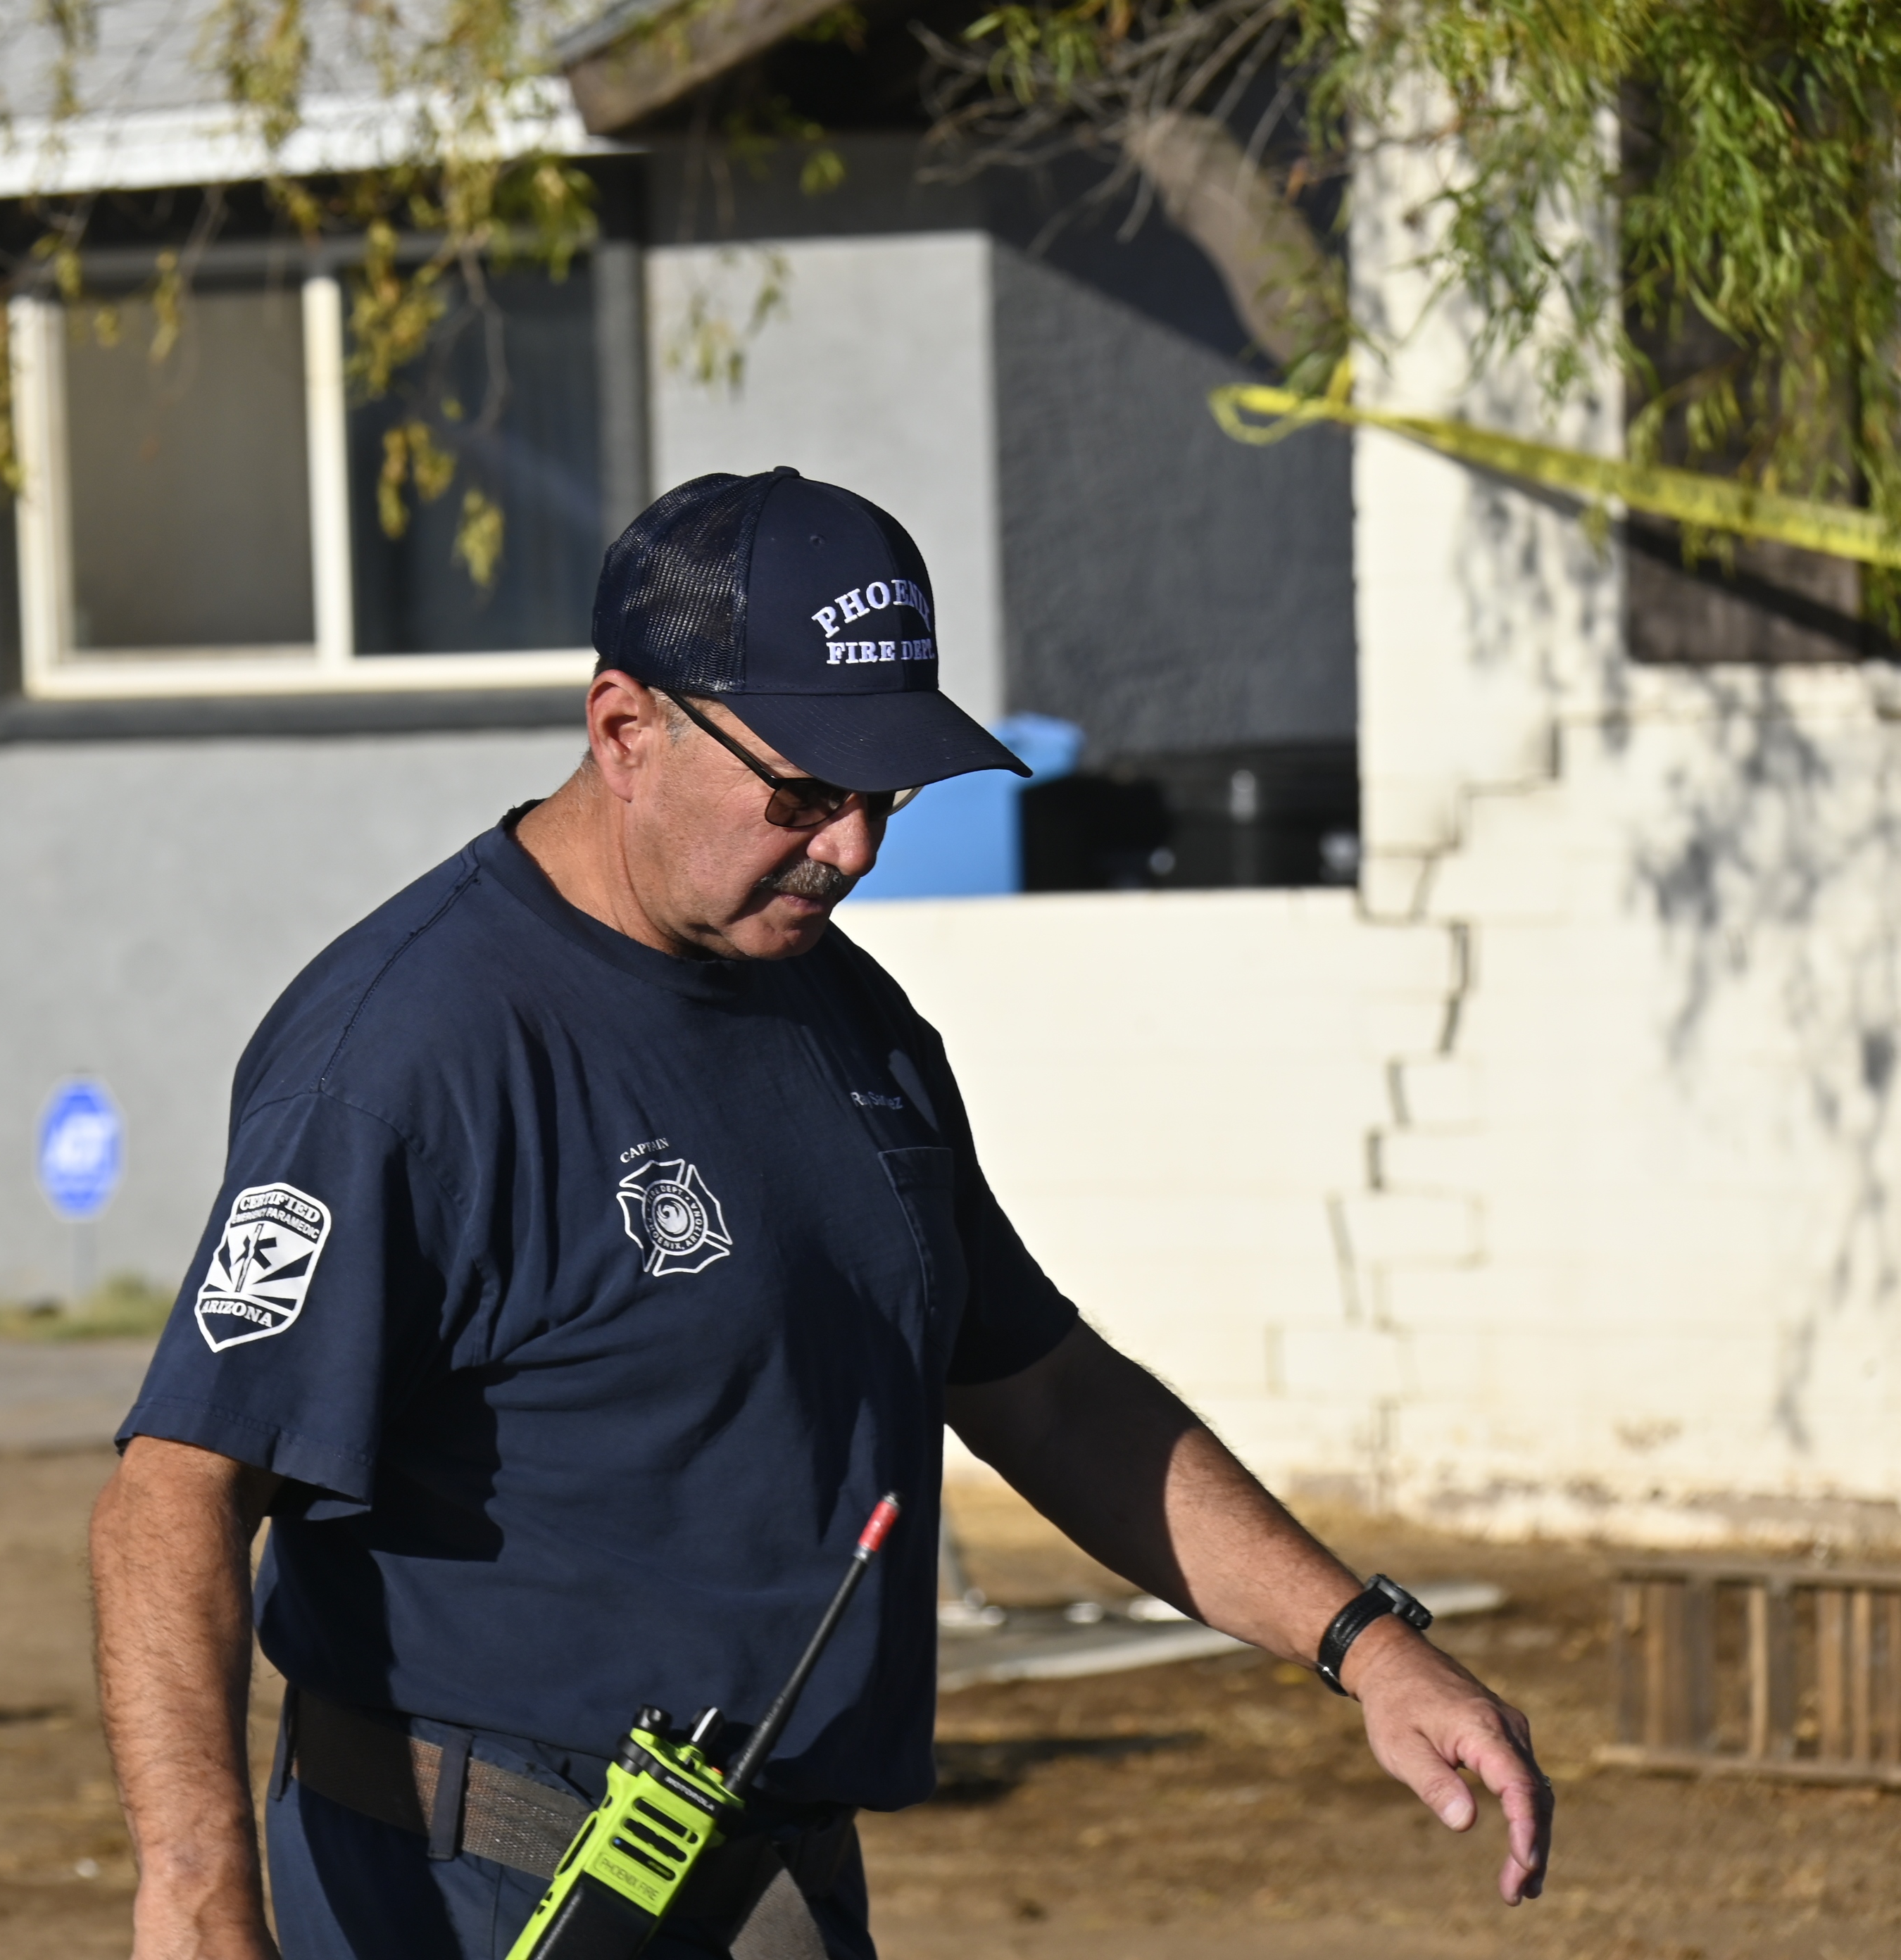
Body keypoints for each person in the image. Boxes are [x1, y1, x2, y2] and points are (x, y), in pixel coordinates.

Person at [89, 467, 1552, 1960]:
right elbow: (176, 1492)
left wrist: (1362, 1643)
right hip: (476, 1895)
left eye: (883, 796)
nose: (850, 849)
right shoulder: (408, 1056)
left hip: (768, 1892)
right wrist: (196, 1899)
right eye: (802, 793)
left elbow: (1041, 1391)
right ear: (625, 730)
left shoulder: (846, 1016)